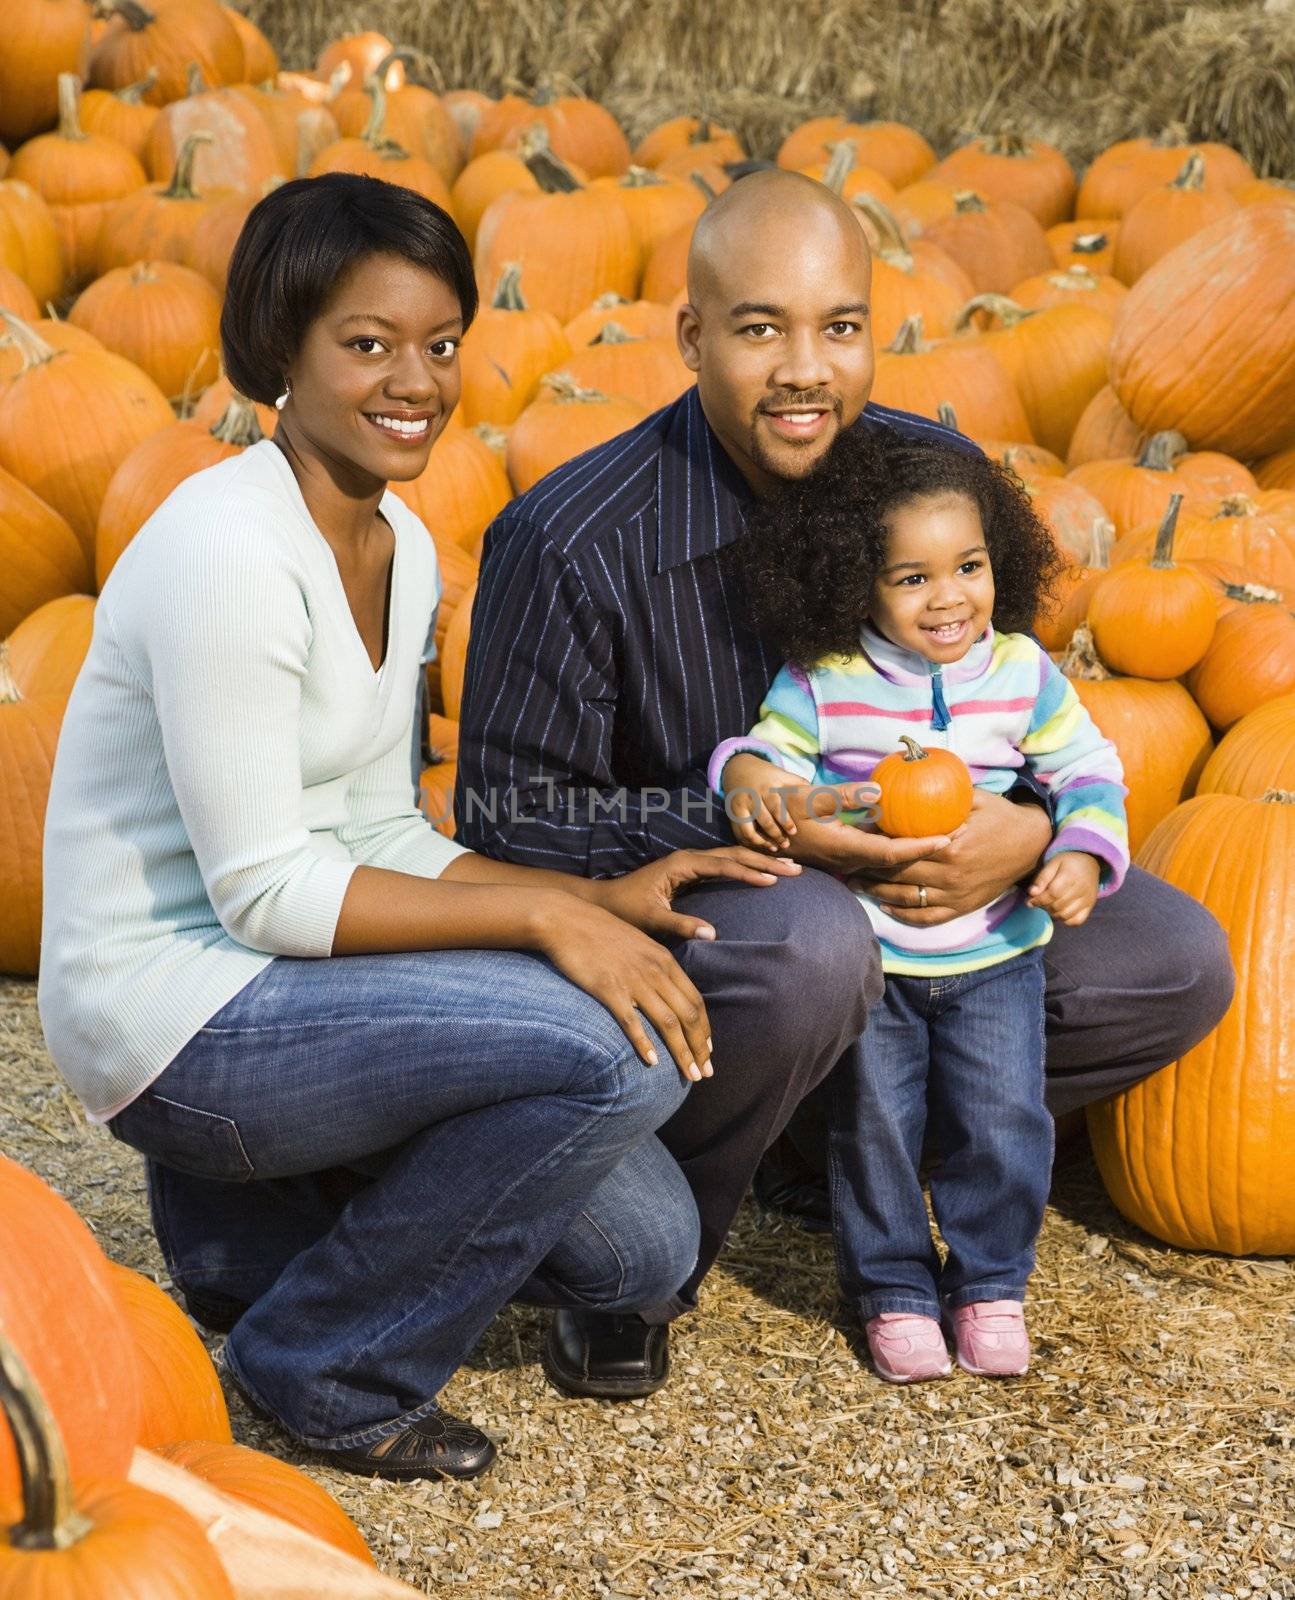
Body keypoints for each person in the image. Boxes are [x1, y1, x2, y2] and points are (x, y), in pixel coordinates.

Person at [36, 172, 798, 1481]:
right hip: (171, 1009)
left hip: (288, 991)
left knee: (640, 1254)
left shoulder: (404, 540)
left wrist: (595, 902)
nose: (417, 380)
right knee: (613, 1056)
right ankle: (327, 1362)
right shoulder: (226, 550)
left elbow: (377, 822)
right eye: (368, 343)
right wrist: (547, 913)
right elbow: (267, 893)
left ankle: (244, 1231)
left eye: (439, 344)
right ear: (280, 350)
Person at [455, 167, 1234, 1396]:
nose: (804, 368)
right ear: (693, 335)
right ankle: (631, 1268)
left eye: (839, 327)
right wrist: (752, 822)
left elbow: (1024, 705)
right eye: (761, 329)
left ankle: (830, 1136)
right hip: (733, 923)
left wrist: (1026, 834)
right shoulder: (569, 539)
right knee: (816, 945)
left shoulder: (931, 474)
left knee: (1173, 959)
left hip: (944, 907)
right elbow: (504, 817)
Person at [711, 432, 1130, 1381]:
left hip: (994, 955)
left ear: (1000, 564)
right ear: (856, 583)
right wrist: (783, 799)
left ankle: (989, 1284)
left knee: (1001, 1119)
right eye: (912, 578)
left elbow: (1088, 770)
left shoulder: (1022, 672)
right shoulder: (825, 682)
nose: (948, 598)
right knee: (875, 1130)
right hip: (879, 959)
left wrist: (1078, 850)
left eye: (969, 567)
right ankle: (893, 1291)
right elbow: (758, 763)